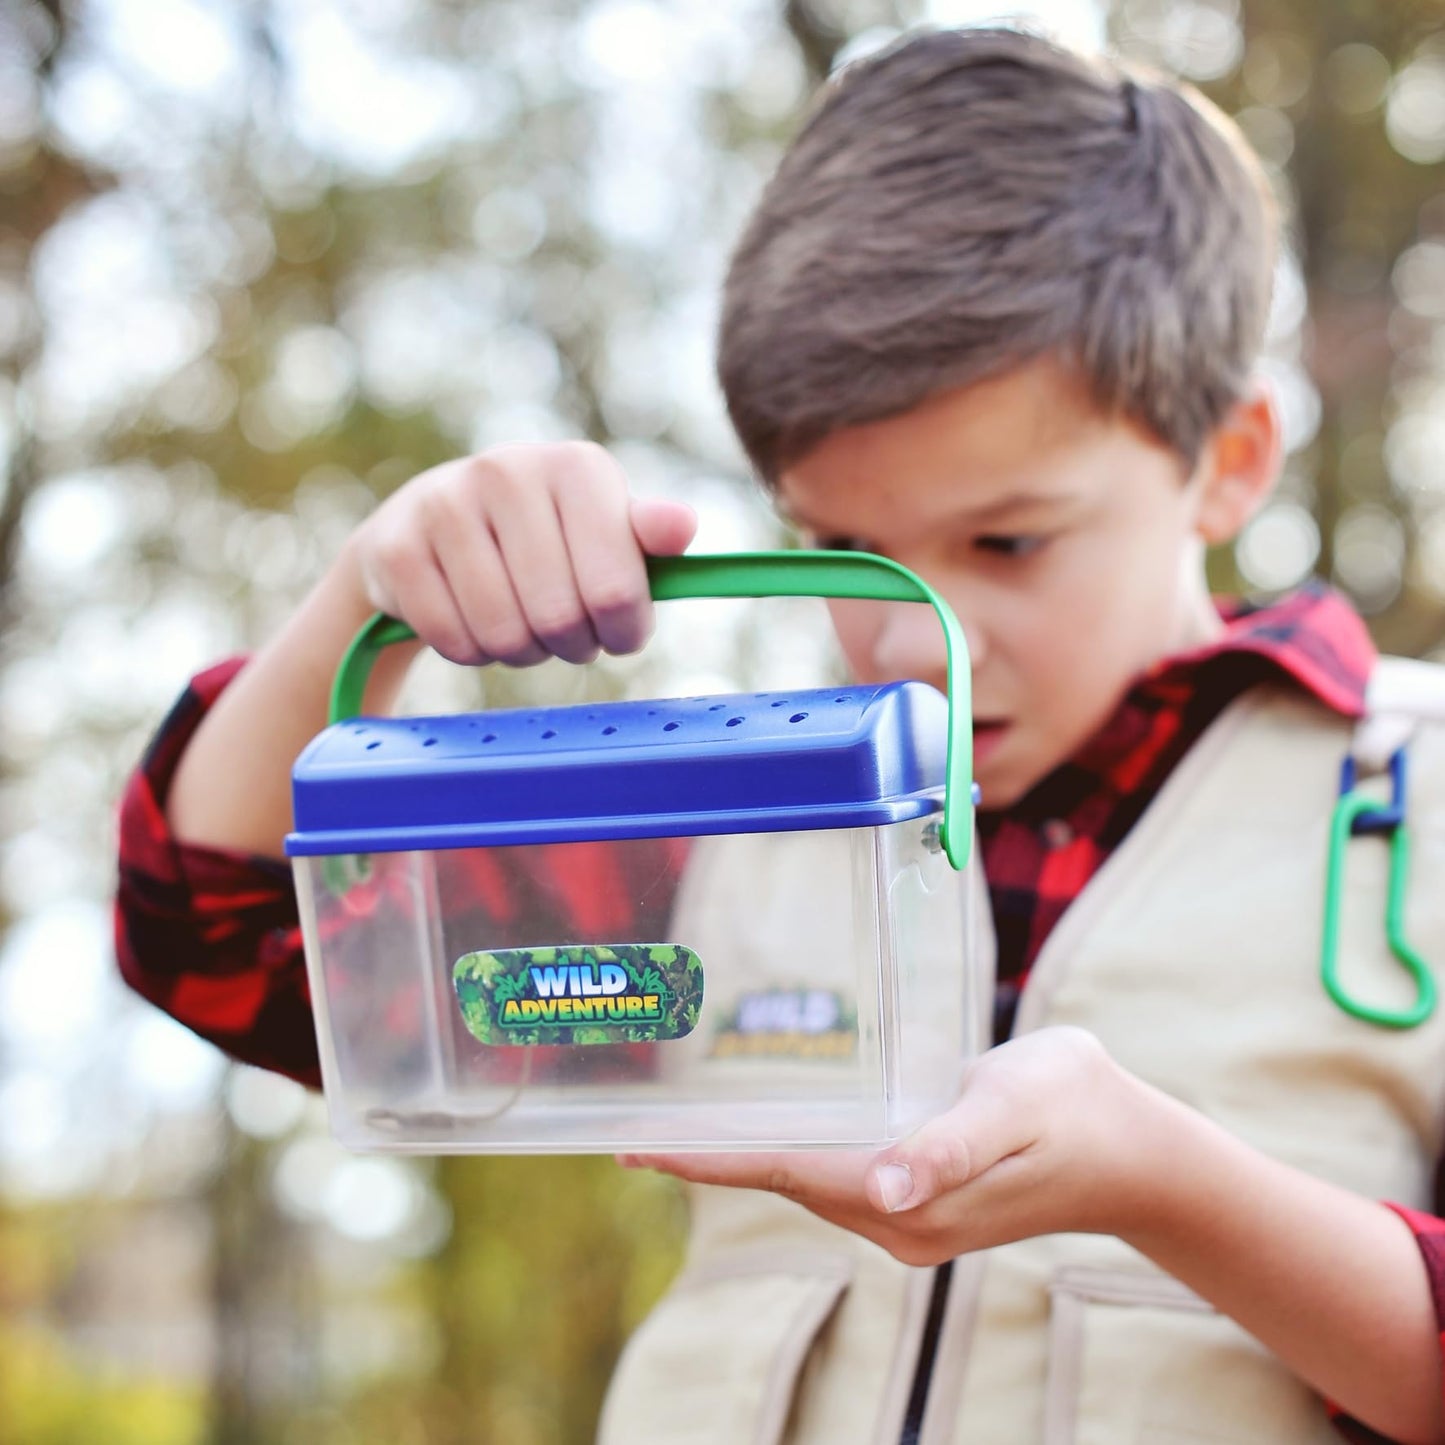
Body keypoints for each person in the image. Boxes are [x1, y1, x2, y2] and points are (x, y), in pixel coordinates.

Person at [115, 27, 1445, 1445]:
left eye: (1007, 540)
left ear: (1230, 462)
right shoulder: (724, 823)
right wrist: (364, 600)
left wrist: (1171, 1186)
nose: (909, 638)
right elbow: (225, 934)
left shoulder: (1415, 797)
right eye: (841, 548)